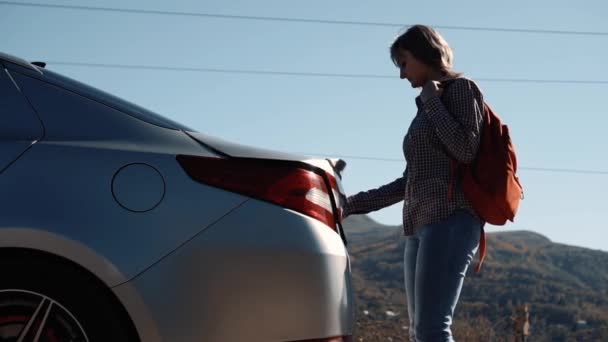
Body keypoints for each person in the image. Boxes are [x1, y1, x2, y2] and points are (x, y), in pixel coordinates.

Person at [342, 24, 485, 342]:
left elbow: (465, 150)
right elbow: (411, 180)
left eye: (404, 63)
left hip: (450, 219)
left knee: (432, 329)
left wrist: (433, 101)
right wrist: (351, 204)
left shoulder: (460, 89)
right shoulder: (426, 107)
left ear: (424, 54)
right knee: (419, 331)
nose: (402, 74)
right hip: (419, 225)